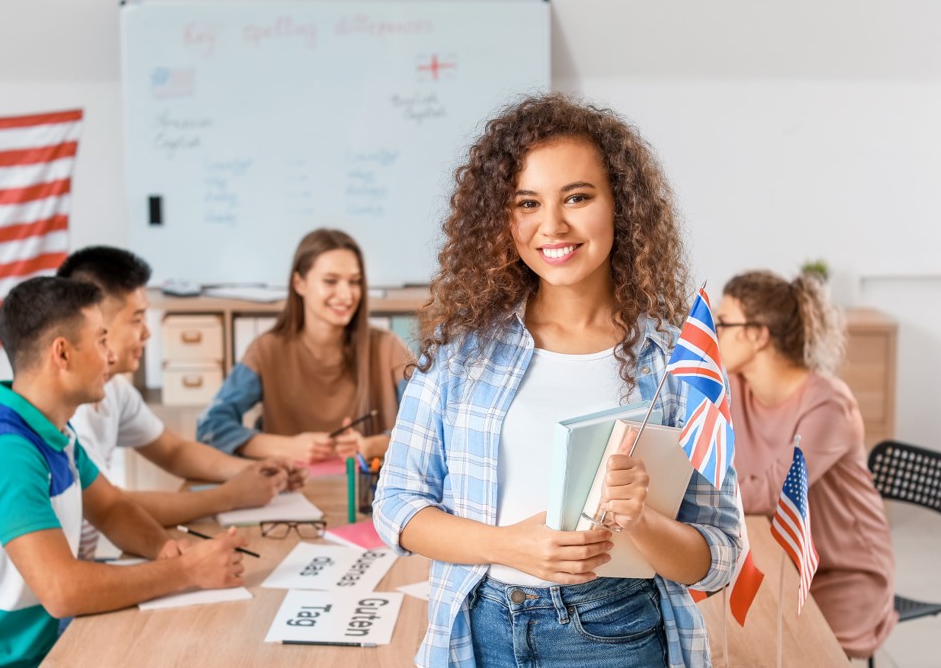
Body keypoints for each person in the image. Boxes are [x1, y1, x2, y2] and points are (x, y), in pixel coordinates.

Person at [373, 93, 743, 668]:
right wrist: (508, 547)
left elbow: (721, 555)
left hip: (614, 631)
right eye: (527, 203)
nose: (553, 226)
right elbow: (396, 505)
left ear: (621, 205)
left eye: (577, 197)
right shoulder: (462, 354)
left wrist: (641, 522)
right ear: (502, 217)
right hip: (477, 632)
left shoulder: (674, 362)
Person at [0, 277, 250, 667]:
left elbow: (111, 509)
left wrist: (164, 548)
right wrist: (185, 571)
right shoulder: (7, 453)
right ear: (63, 354)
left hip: (37, 645)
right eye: (101, 340)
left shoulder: (55, 429)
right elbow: (63, 591)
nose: (111, 357)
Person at [57, 246, 303, 560]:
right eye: (137, 319)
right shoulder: (69, 416)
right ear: (95, 322)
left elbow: (174, 451)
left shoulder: (114, 390)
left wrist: (254, 472)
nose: (147, 332)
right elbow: (112, 504)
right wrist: (227, 497)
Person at [718, 269, 898, 660]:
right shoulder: (736, 388)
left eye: (724, 322)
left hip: (844, 574)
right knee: (715, 635)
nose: (714, 331)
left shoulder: (828, 404)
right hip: (777, 559)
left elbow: (770, 494)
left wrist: (695, 490)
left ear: (758, 334)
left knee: (774, 650)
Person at [196, 228, 413, 464]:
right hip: (286, 491)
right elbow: (210, 427)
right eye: (330, 281)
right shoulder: (266, 350)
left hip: (366, 493)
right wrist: (284, 447)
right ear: (299, 283)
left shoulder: (388, 348)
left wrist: (373, 445)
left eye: (355, 282)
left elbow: (432, 424)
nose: (346, 294)